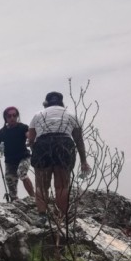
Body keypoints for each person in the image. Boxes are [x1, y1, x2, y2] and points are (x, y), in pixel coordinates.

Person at [28, 91, 91, 225]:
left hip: (43, 144)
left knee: (41, 185)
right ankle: (61, 217)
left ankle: (42, 217)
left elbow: (31, 138)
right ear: (62, 103)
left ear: (46, 103)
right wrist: (83, 161)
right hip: (64, 144)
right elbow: (79, 140)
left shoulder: (38, 115)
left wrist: (36, 151)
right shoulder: (71, 115)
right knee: (62, 186)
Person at [0, 106, 35, 200]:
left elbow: (29, 136)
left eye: (14, 115)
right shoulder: (1, 132)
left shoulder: (23, 127)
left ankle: (33, 197)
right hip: (10, 160)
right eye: (9, 116)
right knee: (9, 180)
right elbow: (1, 149)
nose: (12, 118)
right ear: (6, 118)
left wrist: (31, 140)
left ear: (17, 116)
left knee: (21, 173)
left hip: (23, 157)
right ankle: (14, 201)